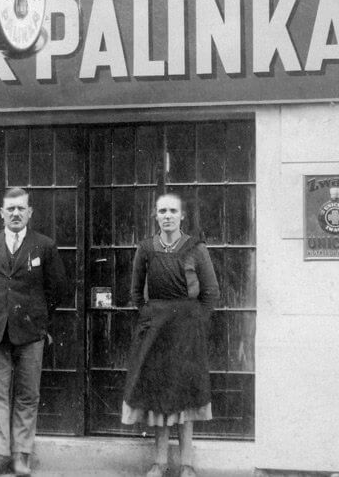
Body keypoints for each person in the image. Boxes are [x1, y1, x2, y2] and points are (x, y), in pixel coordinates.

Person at [0, 187, 68, 477]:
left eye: (21, 208)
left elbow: (58, 288)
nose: (16, 213)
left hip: (31, 332)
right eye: (10, 209)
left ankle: (21, 455)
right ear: (2, 213)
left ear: (30, 212)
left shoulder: (44, 245)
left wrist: (39, 318)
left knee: (28, 394)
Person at [121, 193, 220, 477]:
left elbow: (211, 292)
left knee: (186, 396)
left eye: (173, 211)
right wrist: (151, 317)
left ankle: (187, 464)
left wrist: (194, 321)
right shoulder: (146, 249)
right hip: (156, 332)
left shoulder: (195, 249)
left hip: (187, 333)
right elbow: (136, 293)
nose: (167, 216)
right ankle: (159, 462)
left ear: (182, 216)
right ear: (155, 215)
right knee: (158, 395)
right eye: (162, 211)